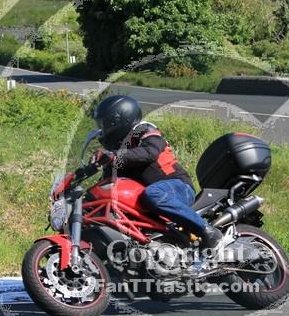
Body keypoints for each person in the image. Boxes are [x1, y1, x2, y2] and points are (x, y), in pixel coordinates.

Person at [92, 95, 223, 251]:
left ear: (121, 119)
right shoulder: (118, 149)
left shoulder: (144, 130)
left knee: (153, 193)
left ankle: (207, 230)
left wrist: (114, 156)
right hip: (150, 197)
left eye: (106, 124)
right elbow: (110, 183)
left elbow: (150, 152)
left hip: (178, 186)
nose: (103, 129)